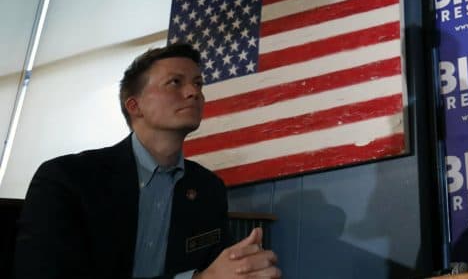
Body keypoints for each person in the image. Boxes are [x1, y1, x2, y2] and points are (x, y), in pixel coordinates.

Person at [14, 43, 282, 279]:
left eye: (198, 83)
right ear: (134, 106)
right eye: (175, 82)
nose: (194, 92)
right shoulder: (66, 178)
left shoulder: (208, 188)